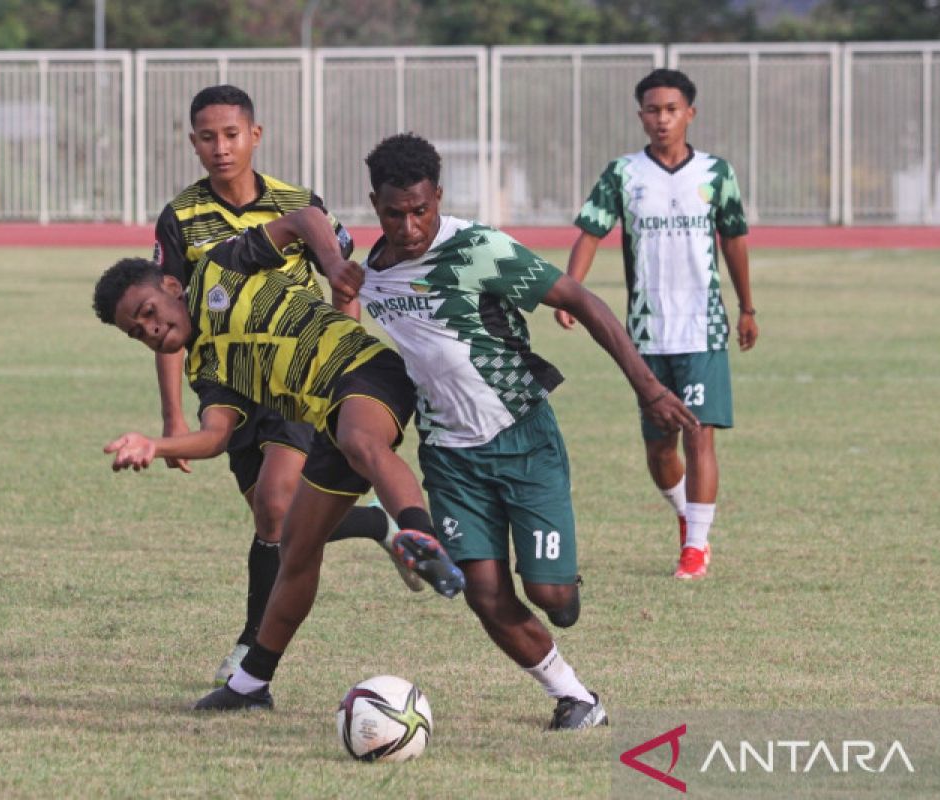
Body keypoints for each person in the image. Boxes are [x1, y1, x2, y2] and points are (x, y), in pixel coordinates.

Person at [358, 133, 699, 729]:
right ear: (374, 205)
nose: (409, 226)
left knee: (553, 600)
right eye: (394, 213)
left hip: (523, 437)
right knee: (483, 593)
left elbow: (584, 302)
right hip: (448, 457)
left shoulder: (477, 249)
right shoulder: (369, 276)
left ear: (438, 197)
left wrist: (648, 388)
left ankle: (559, 577)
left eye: (421, 210)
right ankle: (576, 697)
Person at [92, 205, 465, 713]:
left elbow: (304, 218)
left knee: (363, 443)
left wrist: (332, 265)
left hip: (364, 371)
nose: (151, 330)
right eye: (138, 331)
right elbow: (215, 434)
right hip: (327, 422)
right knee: (294, 546)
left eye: (150, 311)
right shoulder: (207, 366)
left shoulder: (223, 265)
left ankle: (420, 536)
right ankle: (250, 687)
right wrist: (156, 445)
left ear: (172, 288)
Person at [153, 85, 421, 686]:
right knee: (270, 521)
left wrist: (343, 371)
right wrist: (173, 418)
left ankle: (250, 657)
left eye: (231, 134)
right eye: (206, 137)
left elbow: (343, 282)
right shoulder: (181, 217)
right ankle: (378, 524)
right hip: (227, 383)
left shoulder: (301, 203)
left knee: (278, 503)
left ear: (255, 135)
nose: (220, 148)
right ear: (192, 141)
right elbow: (168, 321)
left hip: (299, 374)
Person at [556, 68, 758, 580]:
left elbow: (733, 239)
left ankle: (696, 548)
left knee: (700, 436)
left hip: (704, 328)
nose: (662, 119)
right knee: (659, 446)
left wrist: (747, 308)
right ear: (641, 114)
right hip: (646, 333)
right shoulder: (623, 175)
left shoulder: (715, 173)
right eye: (652, 109)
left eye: (671, 109)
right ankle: (688, 518)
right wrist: (568, 294)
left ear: (690, 113)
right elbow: (589, 234)